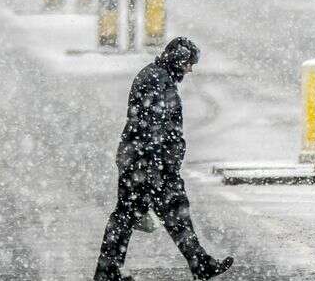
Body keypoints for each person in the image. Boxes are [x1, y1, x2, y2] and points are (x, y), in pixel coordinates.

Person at [94, 37, 234, 281]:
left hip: (143, 163)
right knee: (157, 215)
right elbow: (155, 129)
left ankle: (109, 272)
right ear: (179, 60)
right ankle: (108, 273)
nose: (190, 69)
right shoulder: (158, 81)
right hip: (149, 165)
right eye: (189, 63)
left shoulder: (157, 77)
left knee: (137, 216)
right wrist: (159, 168)